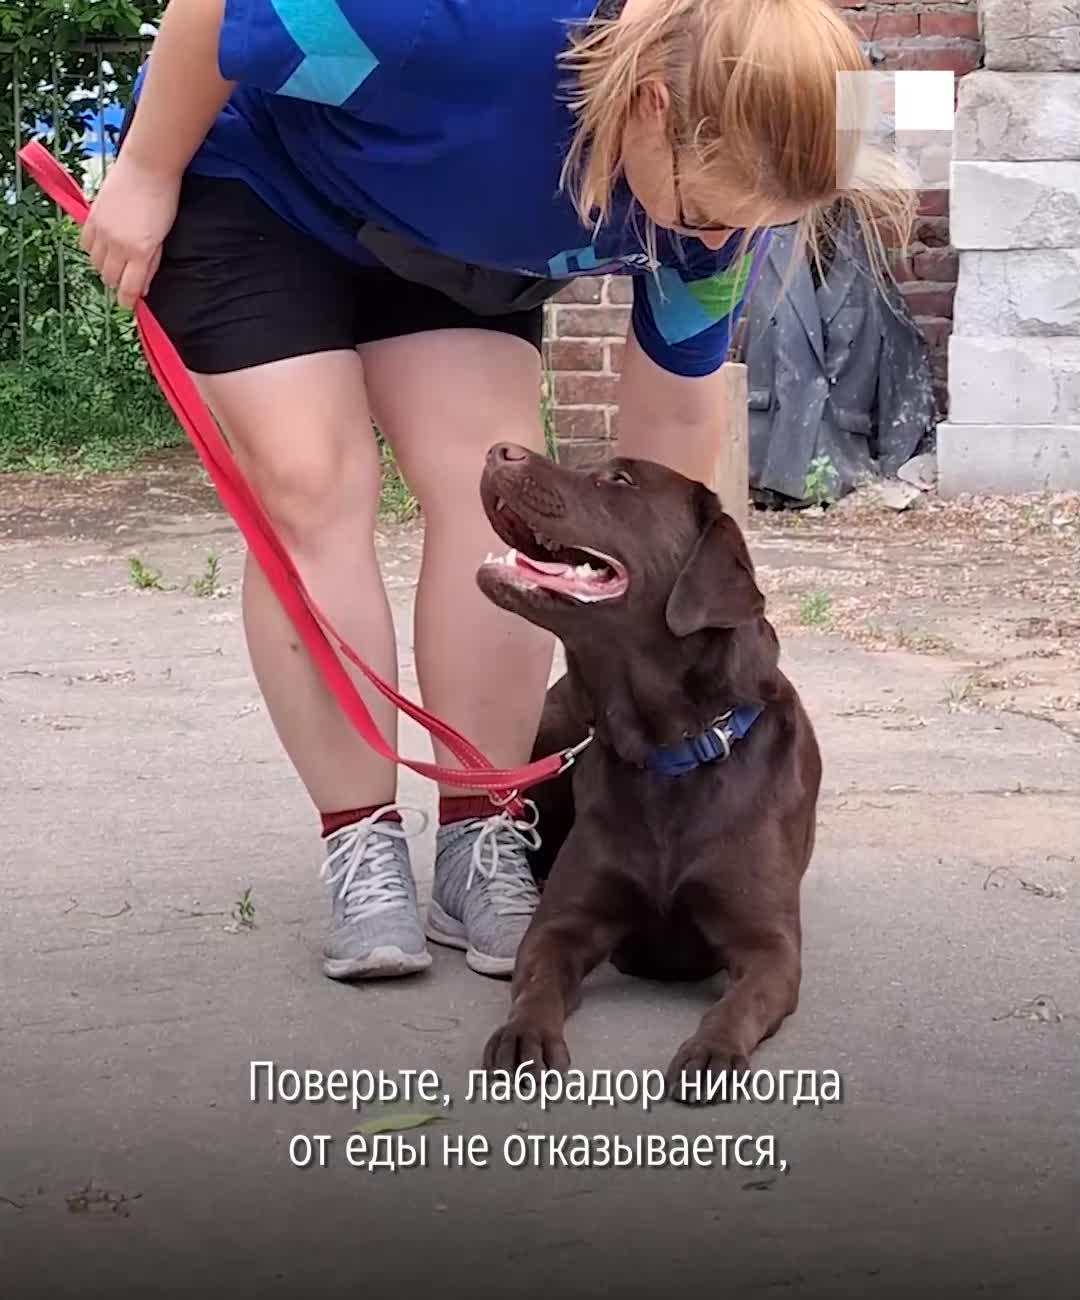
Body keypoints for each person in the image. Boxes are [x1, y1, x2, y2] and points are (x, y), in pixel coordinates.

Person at [82, 0, 905, 984]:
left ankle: (485, 829)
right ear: (648, 106)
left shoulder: (716, 218)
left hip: (445, 246)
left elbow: (668, 445)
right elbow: (219, 11)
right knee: (315, 479)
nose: (716, 240)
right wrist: (144, 170)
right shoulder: (460, 29)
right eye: (705, 215)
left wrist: (664, 631)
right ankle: (360, 840)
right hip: (257, 183)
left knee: (507, 497)